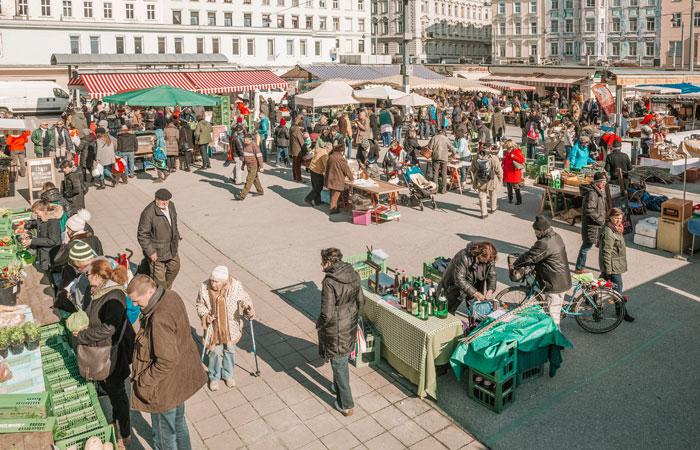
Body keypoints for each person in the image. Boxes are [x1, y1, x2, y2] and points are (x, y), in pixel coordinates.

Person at [127, 275, 207, 450]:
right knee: (178, 423)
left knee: (164, 437)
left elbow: (166, 359)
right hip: (178, 379)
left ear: (149, 292)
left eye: (137, 301)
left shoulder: (158, 318)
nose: (134, 305)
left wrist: (143, 381)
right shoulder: (171, 296)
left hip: (163, 387)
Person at [74, 260, 135, 448]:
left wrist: (83, 335)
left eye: (88, 274)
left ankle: (124, 434)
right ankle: (115, 422)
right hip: (101, 349)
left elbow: (110, 328)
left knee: (117, 392)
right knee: (112, 390)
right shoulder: (94, 290)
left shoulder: (114, 295)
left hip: (114, 351)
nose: (85, 276)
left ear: (99, 276)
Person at [317, 248, 365, 416]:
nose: (321, 265)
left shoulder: (329, 282)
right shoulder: (353, 274)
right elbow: (361, 301)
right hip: (349, 321)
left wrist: (320, 325)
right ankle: (336, 386)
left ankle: (346, 404)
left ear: (329, 263)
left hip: (335, 326)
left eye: (322, 262)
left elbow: (326, 313)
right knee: (341, 358)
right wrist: (351, 315)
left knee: (339, 362)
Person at [196, 266, 255, 391]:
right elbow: (200, 304)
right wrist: (206, 316)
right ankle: (214, 377)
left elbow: (244, 298)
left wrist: (247, 307)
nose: (212, 283)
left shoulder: (235, 285)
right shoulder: (204, 287)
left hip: (230, 327)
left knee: (230, 351)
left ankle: (227, 375)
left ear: (224, 282)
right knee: (214, 353)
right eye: (211, 280)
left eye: (216, 282)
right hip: (214, 329)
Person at [511, 216, 572, 327]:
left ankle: (557, 339)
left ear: (541, 230)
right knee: (551, 311)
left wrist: (516, 264)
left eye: (536, 231)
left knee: (553, 316)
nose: (535, 233)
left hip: (555, 283)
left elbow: (531, 257)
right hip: (561, 278)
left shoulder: (545, 243)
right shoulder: (556, 236)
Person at [137, 189, 181, 290]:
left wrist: (177, 236)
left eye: (167, 200)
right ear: (156, 199)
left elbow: (174, 223)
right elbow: (142, 235)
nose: (165, 203)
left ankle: (166, 289)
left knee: (175, 268)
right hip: (156, 252)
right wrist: (150, 252)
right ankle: (162, 294)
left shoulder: (171, 206)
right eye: (162, 200)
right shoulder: (148, 213)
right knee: (159, 279)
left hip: (171, 247)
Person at [438, 242, 498, 315]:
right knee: (447, 311)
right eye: (485, 259)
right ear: (479, 254)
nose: (486, 262)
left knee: (476, 312)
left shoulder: (489, 259)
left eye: (488, 261)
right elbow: (459, 279)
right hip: (454, 287)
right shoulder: (463, 256)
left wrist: (490, 290)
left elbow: (492, 274)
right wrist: (474, 293)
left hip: (474, 286)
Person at [599, 208, 634, 322]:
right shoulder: (609, 232)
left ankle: (590, 296)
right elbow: (606, 252)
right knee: (618, 290)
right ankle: (621, 312)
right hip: (613, 266)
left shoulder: (614, 228)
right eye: (616, 218)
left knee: (601, 281)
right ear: (610, 217)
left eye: (620, 218)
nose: (619, 221)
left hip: (614, 263)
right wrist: (608, 268)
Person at [576, 172, 607, 274]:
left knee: (597, 246)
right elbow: (589, 210)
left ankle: (604, 268)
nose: (604, 184)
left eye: (605, 181)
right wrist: (601, 220)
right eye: (602, 182)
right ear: (597, 182)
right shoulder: (593, 193)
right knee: (586, 246)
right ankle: (579, 267)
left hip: (595, 223)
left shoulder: (597, 191)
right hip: (592, 225)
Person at [21, 200, 63, 274]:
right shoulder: (42, 218)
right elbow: (37, 225)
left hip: (51, 254)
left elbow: (52, 241)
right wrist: (27, 231)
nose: (36, 215)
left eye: (37, 213)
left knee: (51, 273)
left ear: (44, 210)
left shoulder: (53, 222)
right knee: (45, 269)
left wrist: (32, 241)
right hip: (44, 252)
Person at [471, 146, 503, 219]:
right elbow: (499, 170)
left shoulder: (476, 157)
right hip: (491, 178)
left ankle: (484, 213)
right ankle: (493, 208)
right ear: (489, 148)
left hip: (480, 179)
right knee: (492, 193)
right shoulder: (493, 158)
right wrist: (500, 179)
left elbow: (472, 169)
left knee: (482, 196)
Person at [234, 134, 265, 201]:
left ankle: (242, 196)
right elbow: (245, 157)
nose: (243, 139)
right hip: (249, 165)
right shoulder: (246, 146)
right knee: (255, 179)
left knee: (249, 179)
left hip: (254, 165)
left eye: (244, 138)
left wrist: (261, 167)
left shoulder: (254, 145)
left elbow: (259, 156)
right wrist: (243, 165)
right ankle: (260, 191)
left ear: (249, 139)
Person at [324, 144, 353, 215]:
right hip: (337, 180)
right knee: (335, 196)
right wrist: (351, 178)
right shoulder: (341, 159)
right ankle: (333, 209)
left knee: (332, 194)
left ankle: (334, 206)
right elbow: (346, 169)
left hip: (330, 179)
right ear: (341, 151)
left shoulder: (331, 157)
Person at [428, 129, 456, 194]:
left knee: (435, 173)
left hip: (436, 157)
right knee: (444, 173)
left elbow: (430, 147)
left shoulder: (434, 138)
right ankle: (444, 189)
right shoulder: (446, 139)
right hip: (444, 158)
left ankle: (435, 189)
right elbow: (452, 148)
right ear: (444, 133)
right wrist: (453, 154)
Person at [305, 142, 330, 206]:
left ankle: (317, 201)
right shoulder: (324, 153)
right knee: (319, 186)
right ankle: (308, 198)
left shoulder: (320, 150)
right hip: (317, 171)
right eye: (330, 150)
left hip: (312, 168)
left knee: (315, 185)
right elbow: (326, 165)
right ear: (328, 148)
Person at [501, 140, 525, 205]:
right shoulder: (507, 152)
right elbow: (505, 159)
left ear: (511, 146)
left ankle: (519, 200)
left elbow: (522, 160)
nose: (507, 149)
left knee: (516, 186)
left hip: (514, 172)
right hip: (508, 171)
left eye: (508, 147)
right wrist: (502, 163)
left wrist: (513, 156)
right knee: (508, 186)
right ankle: (510, 198)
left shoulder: (517, 151)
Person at [289, 116, 305, 183]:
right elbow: (301, 141)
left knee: (294, 165)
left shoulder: (292, 128)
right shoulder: (297, 130)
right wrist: (306, 150)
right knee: (297, 165)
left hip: (293, 148)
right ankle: (299, 179)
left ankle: (295, 177)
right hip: (298, 149)